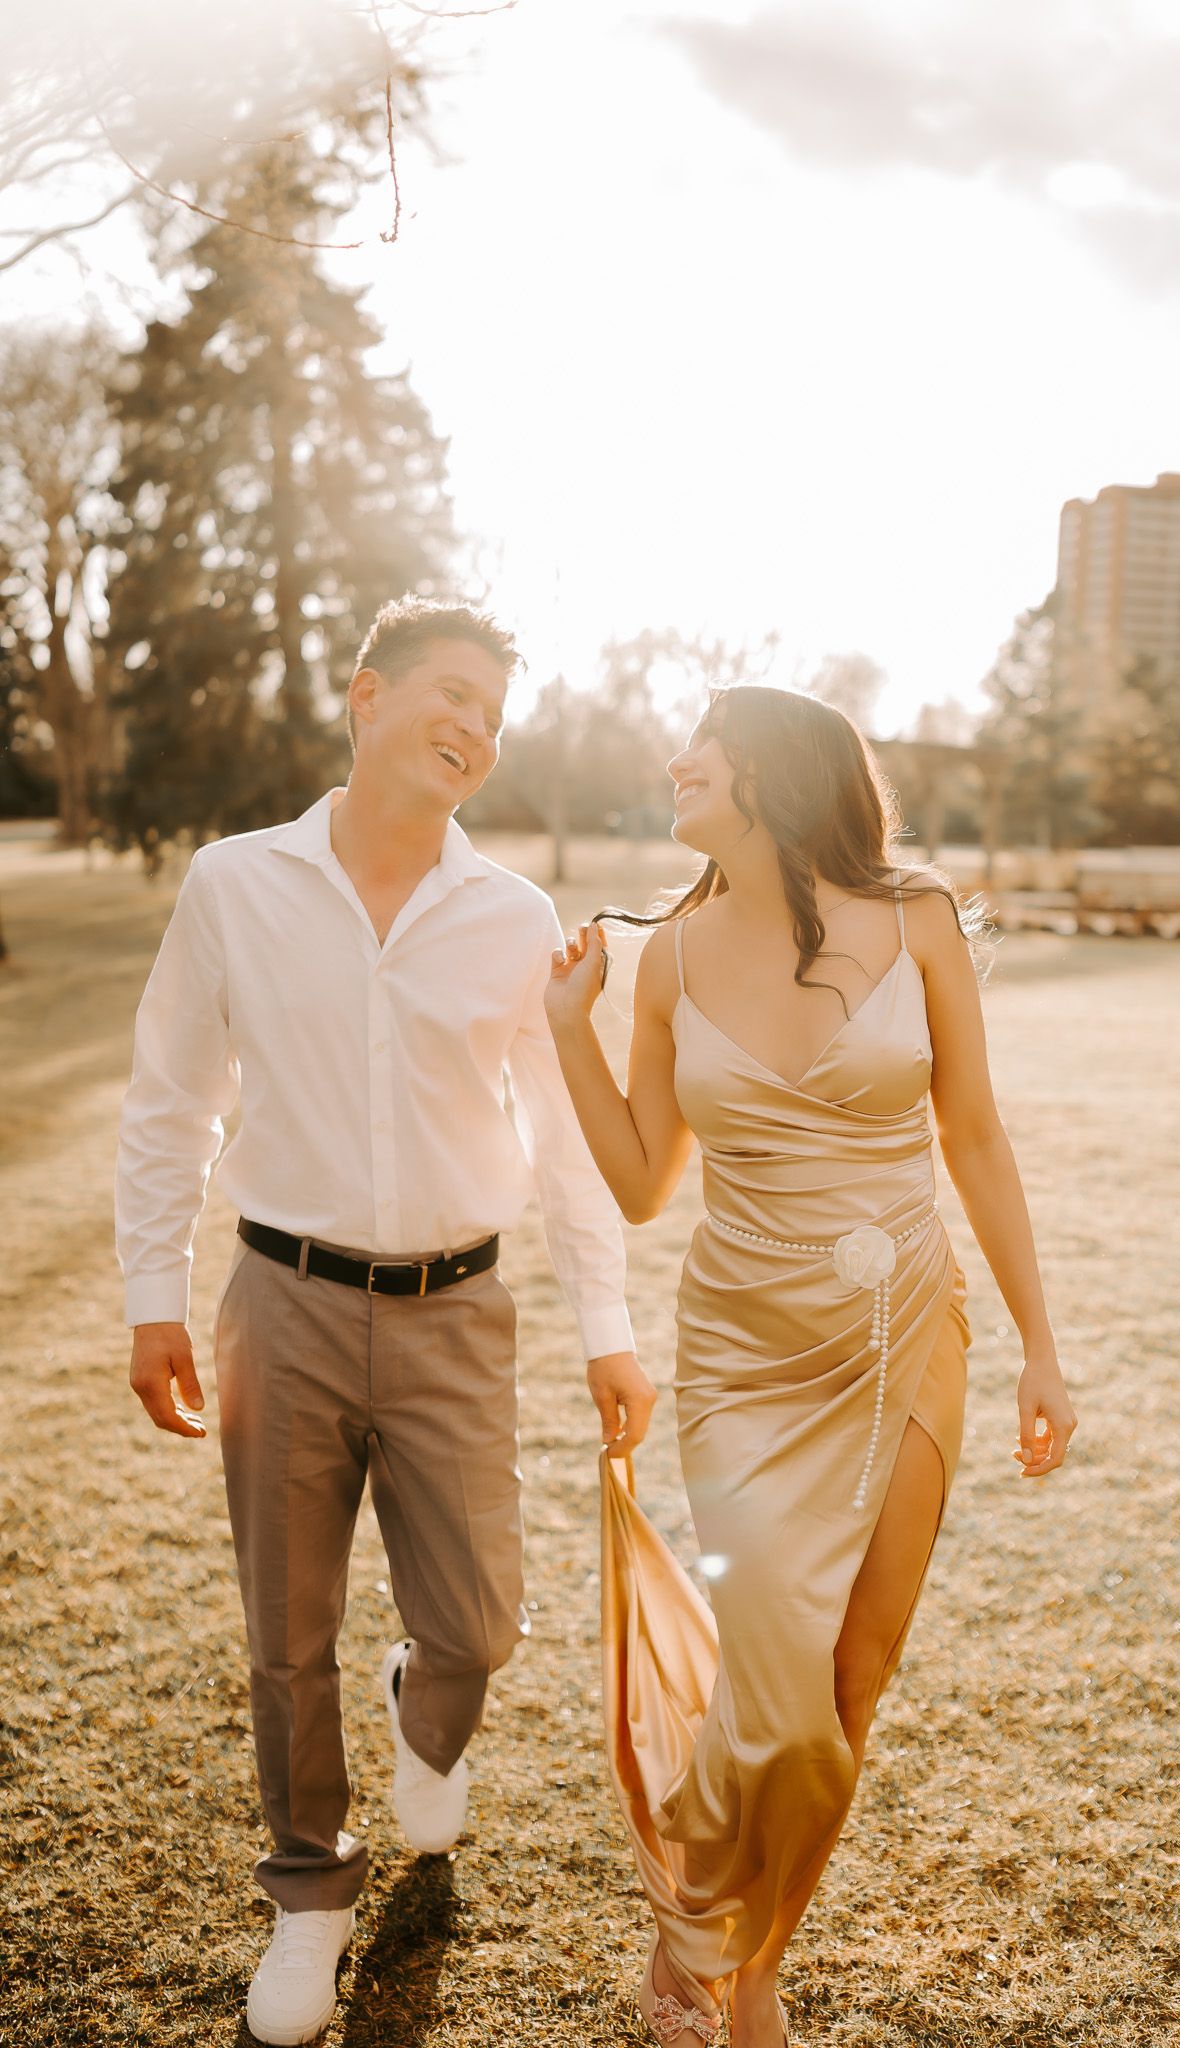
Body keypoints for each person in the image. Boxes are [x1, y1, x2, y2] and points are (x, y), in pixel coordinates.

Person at [115, 595, 656, 2047]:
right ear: (366, 695)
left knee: (478, 1619)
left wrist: (606, 1321)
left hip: (456, 1315)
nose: (474, 728)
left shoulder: (513, 916)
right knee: (287, 1634)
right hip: (277, 1305)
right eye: (452, 693)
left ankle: (429, 1705)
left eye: (494, 710)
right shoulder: (233, 885)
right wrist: (151, 1297)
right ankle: (308, 1899)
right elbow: (172, 1098)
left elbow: (558, 1132)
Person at [545, 685, 1077, 2048]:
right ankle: (696, 1923)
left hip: (909, 1334)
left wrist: (1041, 1349)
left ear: (773, 777)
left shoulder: (919, 921)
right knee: (778, 1695)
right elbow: (645, 1181)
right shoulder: (664, 957)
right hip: (742, 1354)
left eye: (701, 750)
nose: (675, 762)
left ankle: (754, 1965)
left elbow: (978, 1139)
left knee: (850, 1681)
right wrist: (567, 1033)